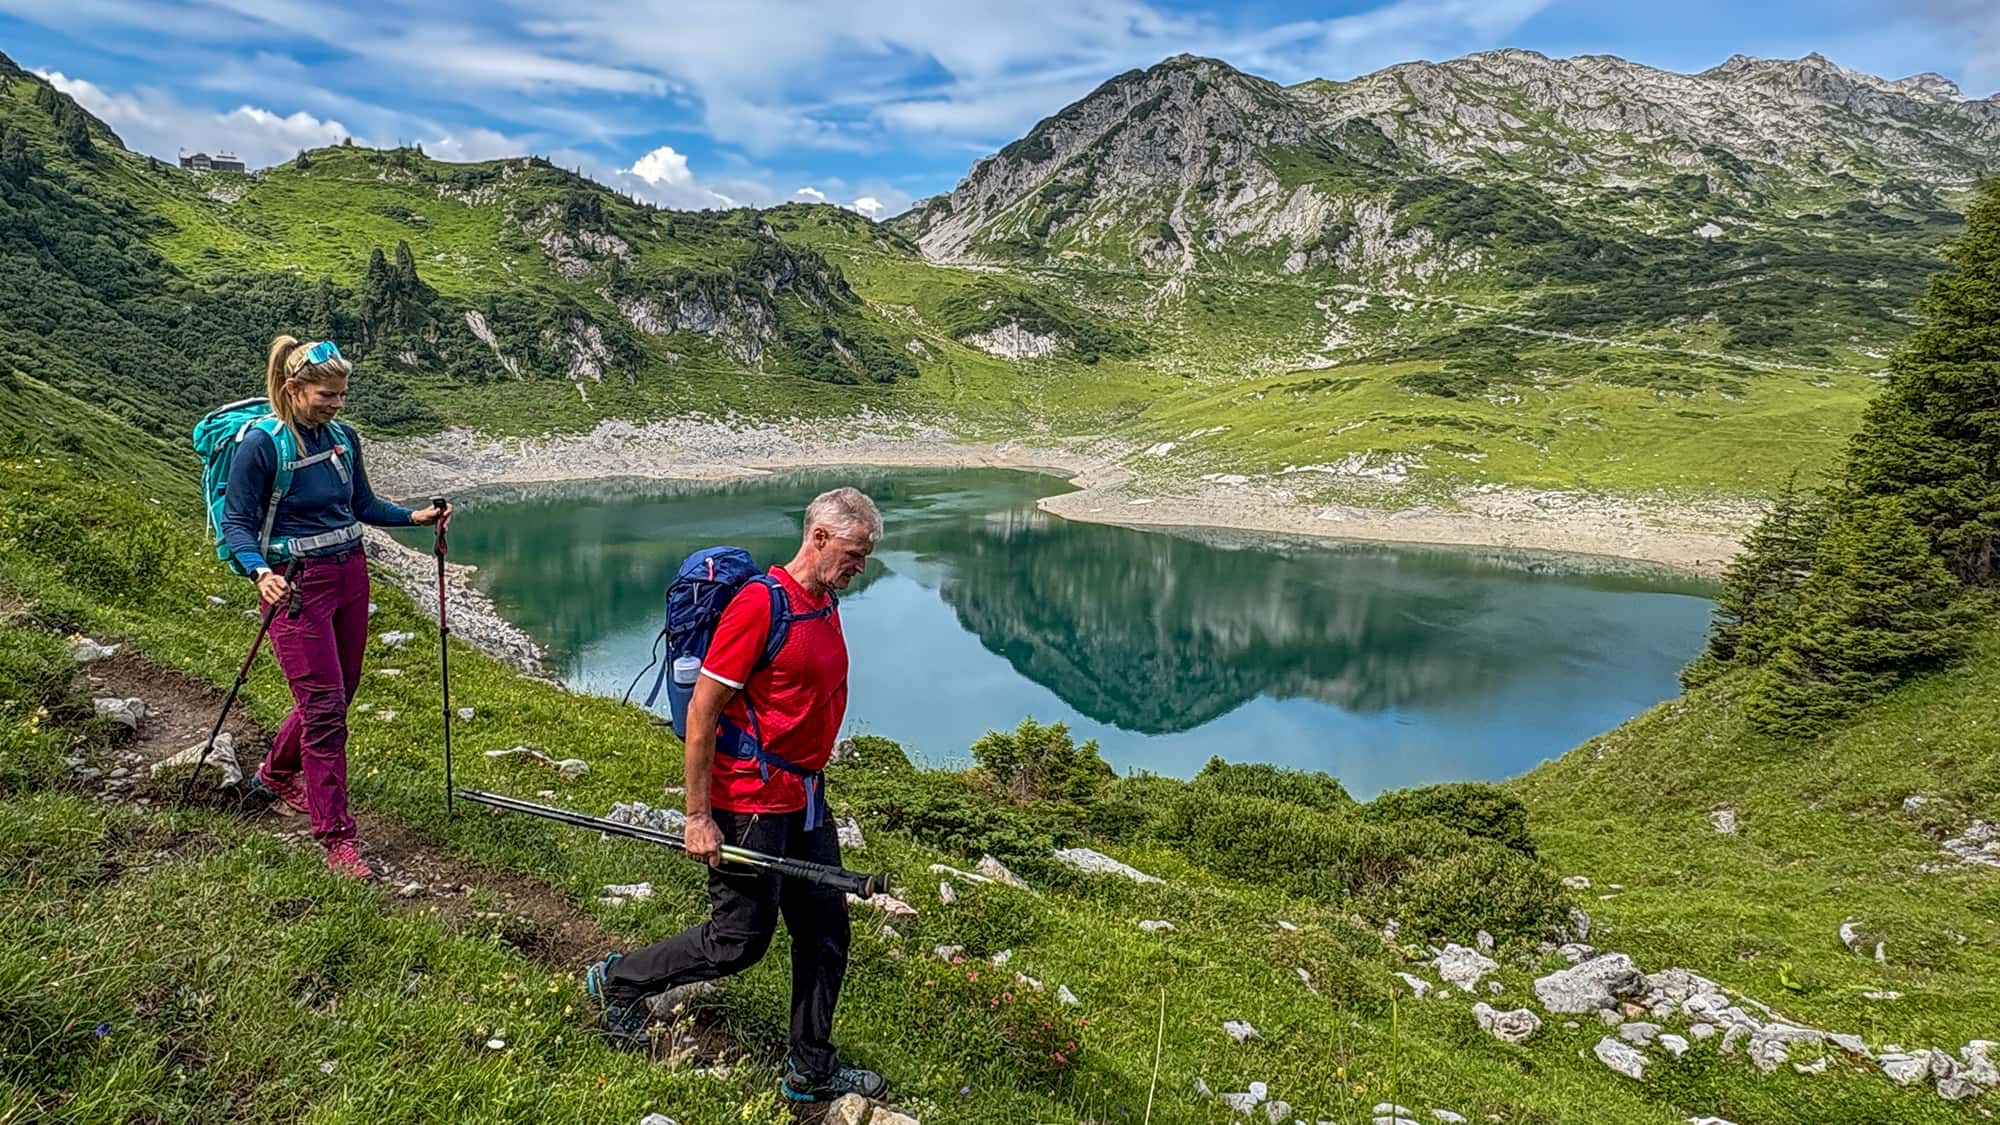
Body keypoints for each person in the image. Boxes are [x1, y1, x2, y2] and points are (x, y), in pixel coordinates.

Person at [586, 487, 887, 1104]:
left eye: (866, 556)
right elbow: (703, 713)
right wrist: (698, 815)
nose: (861, 566)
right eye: (856, 553)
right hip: (749, 800)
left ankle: (810, 1071)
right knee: (738, 941)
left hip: (804, 798)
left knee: (826, 933)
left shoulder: (824, 601)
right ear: (820, 538)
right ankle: (617, 982)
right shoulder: (760, 605)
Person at [224, 335, 448, 880]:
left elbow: (362, 505)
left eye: (342, 395)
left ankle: (276, 775)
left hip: (350, 574)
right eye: (327, 395)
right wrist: (260, 572)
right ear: (292, 388)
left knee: (340, 694)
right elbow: (236, 523)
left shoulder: (344, 439)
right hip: (295, 584)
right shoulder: (262, 445)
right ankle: (337, 839)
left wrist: (412, 518)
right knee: (324, 710)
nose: (337, 405)